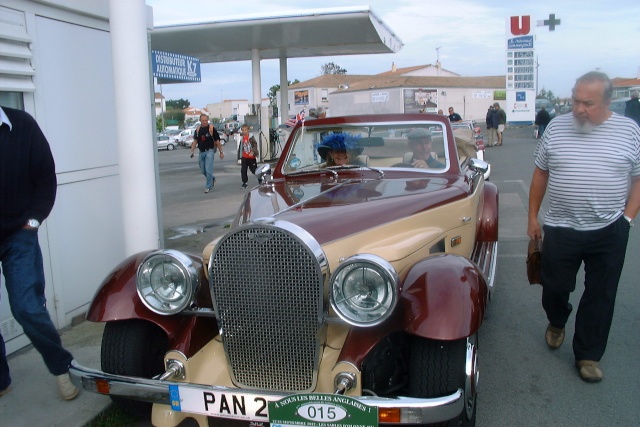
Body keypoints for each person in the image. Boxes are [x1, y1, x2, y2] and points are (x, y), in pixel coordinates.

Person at [527, 71, 640, 383]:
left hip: (609, 230)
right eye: (575, 100)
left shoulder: (629, 131)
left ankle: (588, 355)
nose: (578, 108)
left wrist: (627, 219)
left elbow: (638, 177)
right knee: (555, 287)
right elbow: (541, 173)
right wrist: (532, 217)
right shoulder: (556, 127)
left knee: (601, 294)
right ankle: (557, 319)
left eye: (587, 103)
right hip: (561, 228)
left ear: (606, 102)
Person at [0, 106, 79, 400]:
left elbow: (46, 176)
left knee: (26, 307)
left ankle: (61, 368)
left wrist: (33, 221)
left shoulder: (21, 125)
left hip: (18, 233)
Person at [190, 114, 224, 193]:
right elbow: (195, 141)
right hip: (201, 152)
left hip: (210, 151)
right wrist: (192, 151)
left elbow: (217, 141)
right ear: (200, 121)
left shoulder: (211, 129)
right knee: (203, 170)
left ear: (207, 120)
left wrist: (221, 152)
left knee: (208, 170)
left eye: (206, 120)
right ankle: (212, 178)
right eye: (203, 120)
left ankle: (208, 186)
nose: (205, 122)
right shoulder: (198, 130)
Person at [238, 124, 260, 188]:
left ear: (248, 130)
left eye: (245, 130)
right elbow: (241, 147)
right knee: (243, 170)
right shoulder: (242, 138)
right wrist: (240, 156)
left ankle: (260, 178)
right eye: (243, 130)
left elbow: (255, 145)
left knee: (254, 170)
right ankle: (245, 182)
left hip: (251, 157)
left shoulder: (251, 137)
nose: (244, 131)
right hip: (244, 157)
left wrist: (253, 152)